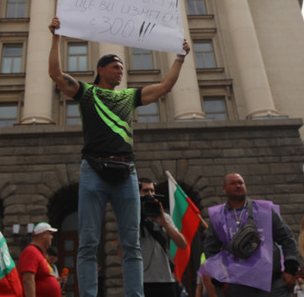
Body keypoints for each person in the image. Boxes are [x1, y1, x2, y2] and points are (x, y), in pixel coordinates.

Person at [49, 16, 191, 297]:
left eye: (122, 68)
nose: (120, 72)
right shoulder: (86, 93)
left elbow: (164, 87)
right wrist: (55, 36)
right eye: (115, 67)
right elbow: (56, 74)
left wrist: (180, 58)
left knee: (131, 244)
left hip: (127, 173)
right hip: (93, 170)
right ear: (101, 70)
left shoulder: (129, 96)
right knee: (88, 241)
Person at [199, 173, 301, 297]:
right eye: (233, 183)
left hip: (272, 283)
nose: (238, 185)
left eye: (240, 182)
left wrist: (290, 269)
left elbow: (286, 237)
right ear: (224, 188)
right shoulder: (218, 217)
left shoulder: (265, 210)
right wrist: (220, 282)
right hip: (238, 286)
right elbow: (210, 251)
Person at [139, 177, 188, 297]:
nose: (150, 194)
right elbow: (121, 249)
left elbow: (182, 244)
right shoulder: (132, 217)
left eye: (152, 190)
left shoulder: (165, 217)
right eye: (146, 191)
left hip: (165, 280)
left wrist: (164, 223)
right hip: (141, 281)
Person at [19, 222, 62, 297]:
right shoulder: (31, 252)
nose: (52, 237)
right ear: (43, 235)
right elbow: (28, 279)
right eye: (50, 234)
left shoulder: (39, 253)